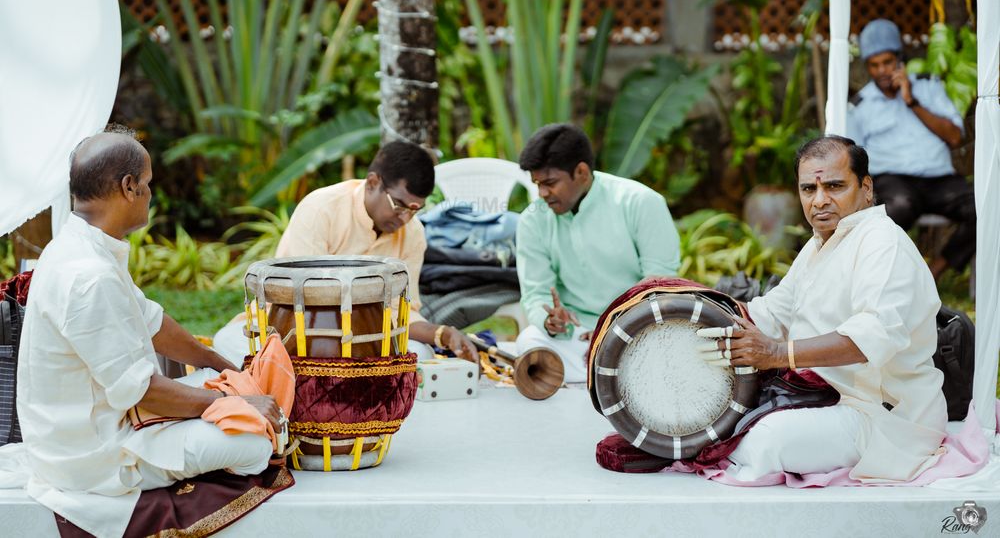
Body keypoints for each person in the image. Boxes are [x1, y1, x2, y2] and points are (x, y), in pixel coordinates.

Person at [15, 129, 280, 538]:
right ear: (128, 187)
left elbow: (152, 322)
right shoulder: (90, 277)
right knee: (256, 446)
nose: (151, 194)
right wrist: (235, 400)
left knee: (217, 389)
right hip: (94, 455)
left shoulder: (80, 245)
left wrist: (224, 367)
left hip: (96, 423)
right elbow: (142, 392)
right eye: (149, 184)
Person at [698, 136, 947, 483]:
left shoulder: (882, 242)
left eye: (834, 186)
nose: (820, 201)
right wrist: (687, 300)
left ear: (866, 188)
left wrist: (777, 353)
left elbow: (872, 337)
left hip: (881, 416)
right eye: (808, 189)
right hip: (819, 394)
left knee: (765, 441)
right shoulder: (823, 241)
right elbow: (770, 313)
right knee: (711, 420)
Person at [216, 141, 476, 363]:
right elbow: (298, 298)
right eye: (398, 205)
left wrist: (442, 333)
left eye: (414, 209)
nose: (405, 217)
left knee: (420, 354)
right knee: (228, 342)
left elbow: (400, 310)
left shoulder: (413, 233)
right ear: (373, 182)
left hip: (370, 336)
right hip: (294, 331)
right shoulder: (321, 209)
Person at [515, 124, 681, 383]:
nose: (542, 194)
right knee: (530, 342)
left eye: (550, 183)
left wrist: (612, 331)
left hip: (635, 331)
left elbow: (660, 286)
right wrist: (549, 320)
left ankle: (606, 374)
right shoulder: (532, 221)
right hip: (576, 336)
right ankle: (614, 378)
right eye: (537, 184)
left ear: (581, 172)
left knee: (668, 348)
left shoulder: (640, 202)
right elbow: (535, 294)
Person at [846, 18, 975, 280]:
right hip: (893, 181)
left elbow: (954, 137)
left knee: (985, 208)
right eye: (874, 64)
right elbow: (853, 159)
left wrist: (912, 101)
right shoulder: (860, 106)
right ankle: (895, 279)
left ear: (899, 60)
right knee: (897, 208)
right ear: (867, 67)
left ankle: (935, 270)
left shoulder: (929, 87)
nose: (882, 70)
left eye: (887, 62)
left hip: (939, 179)